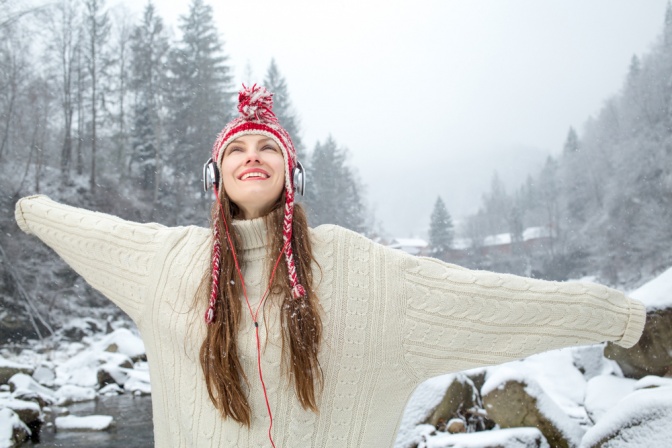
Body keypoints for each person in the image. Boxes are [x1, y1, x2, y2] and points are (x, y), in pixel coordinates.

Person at [14, 85, 645, 448]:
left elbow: (486, 299)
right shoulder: (168, 262)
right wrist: (28, 207)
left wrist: (615, 314)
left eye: (268, 147)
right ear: (216, 173)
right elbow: (95, 232)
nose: (252, 156)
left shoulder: (360, 269)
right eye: (237, 148)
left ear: (292, 172)